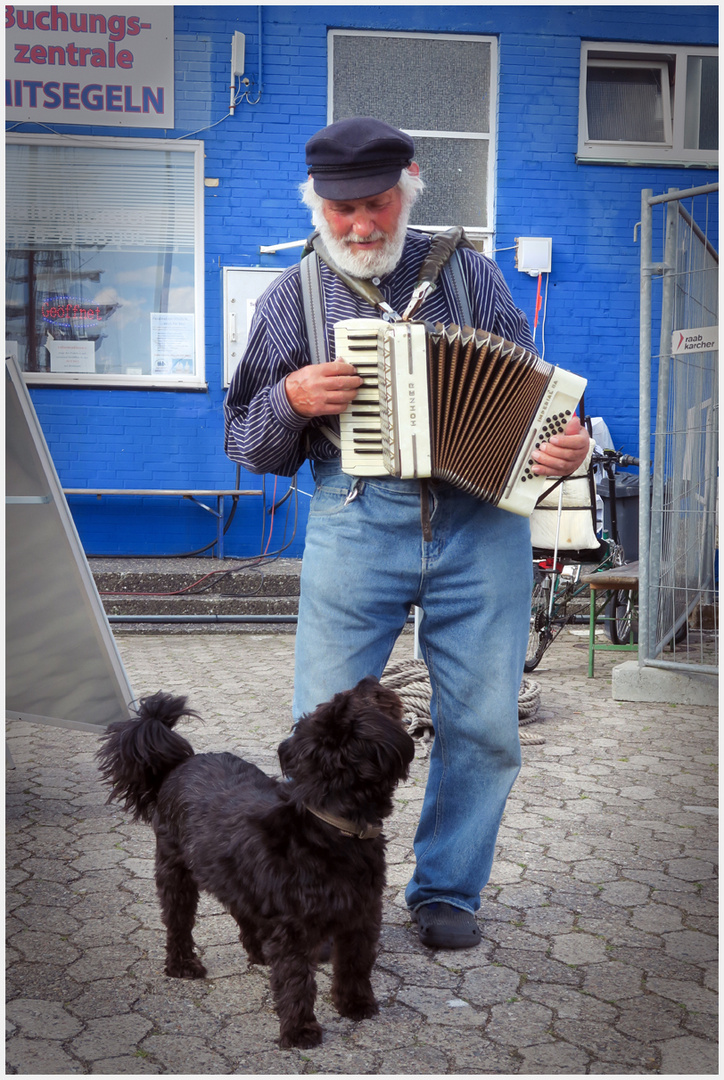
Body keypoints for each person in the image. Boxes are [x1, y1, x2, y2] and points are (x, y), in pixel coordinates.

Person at [224, 117, 590, 949]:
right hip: (357, 519)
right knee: (321, 726)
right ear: (315, 203)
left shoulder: (472, 277)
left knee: (485, 723)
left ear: (411, 184)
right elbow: (243, 433)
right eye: (340, 208)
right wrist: (290, 402)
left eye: (377, 204)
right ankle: (315, 894)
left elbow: (539, 398)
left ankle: (446, 891)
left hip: (482, 522)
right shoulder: (291, 297)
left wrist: (567, 440)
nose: (359, 225)